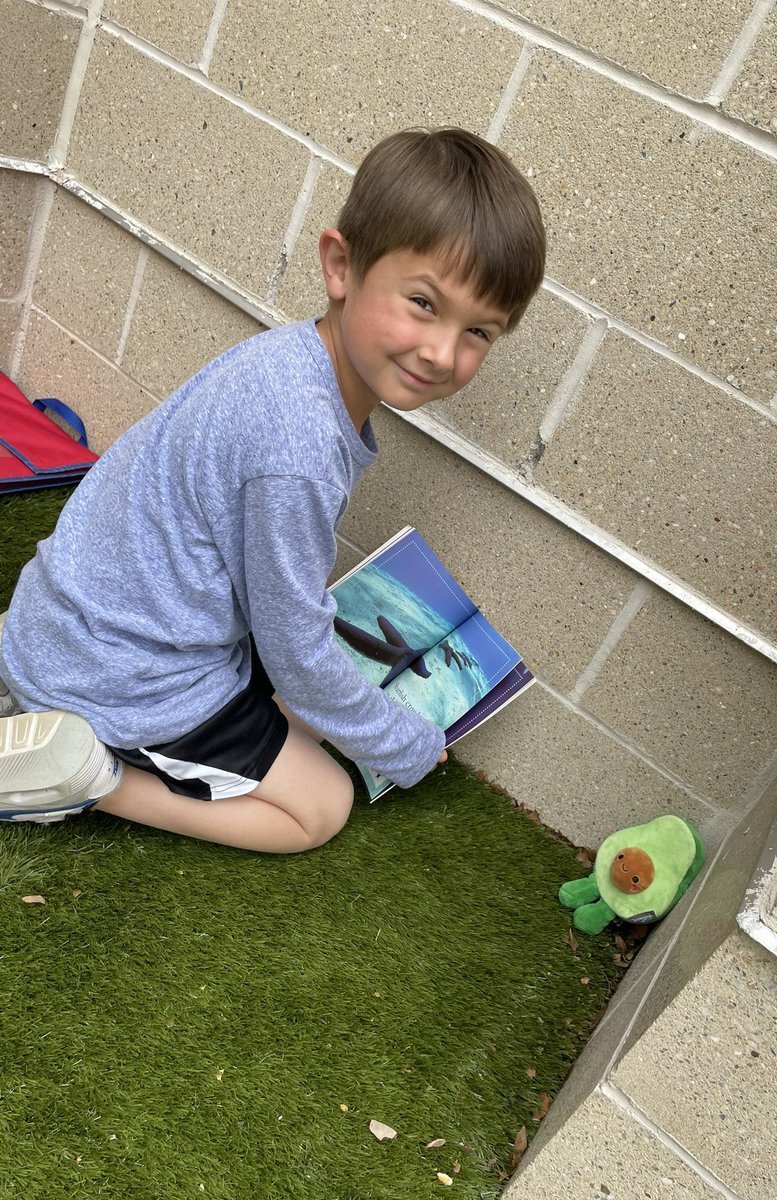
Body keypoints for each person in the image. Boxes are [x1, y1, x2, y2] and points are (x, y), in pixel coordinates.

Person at [0, 128, 546, 853]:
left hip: (62, 623)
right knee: (319, 808)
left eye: (478, 332)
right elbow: (294, 652)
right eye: (423, 303)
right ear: (341, 265)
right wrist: (405, 745)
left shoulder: (293, 360)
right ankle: (84, 776)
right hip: (117, 677)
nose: (443, 351)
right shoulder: (300, 447)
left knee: (300, 703)